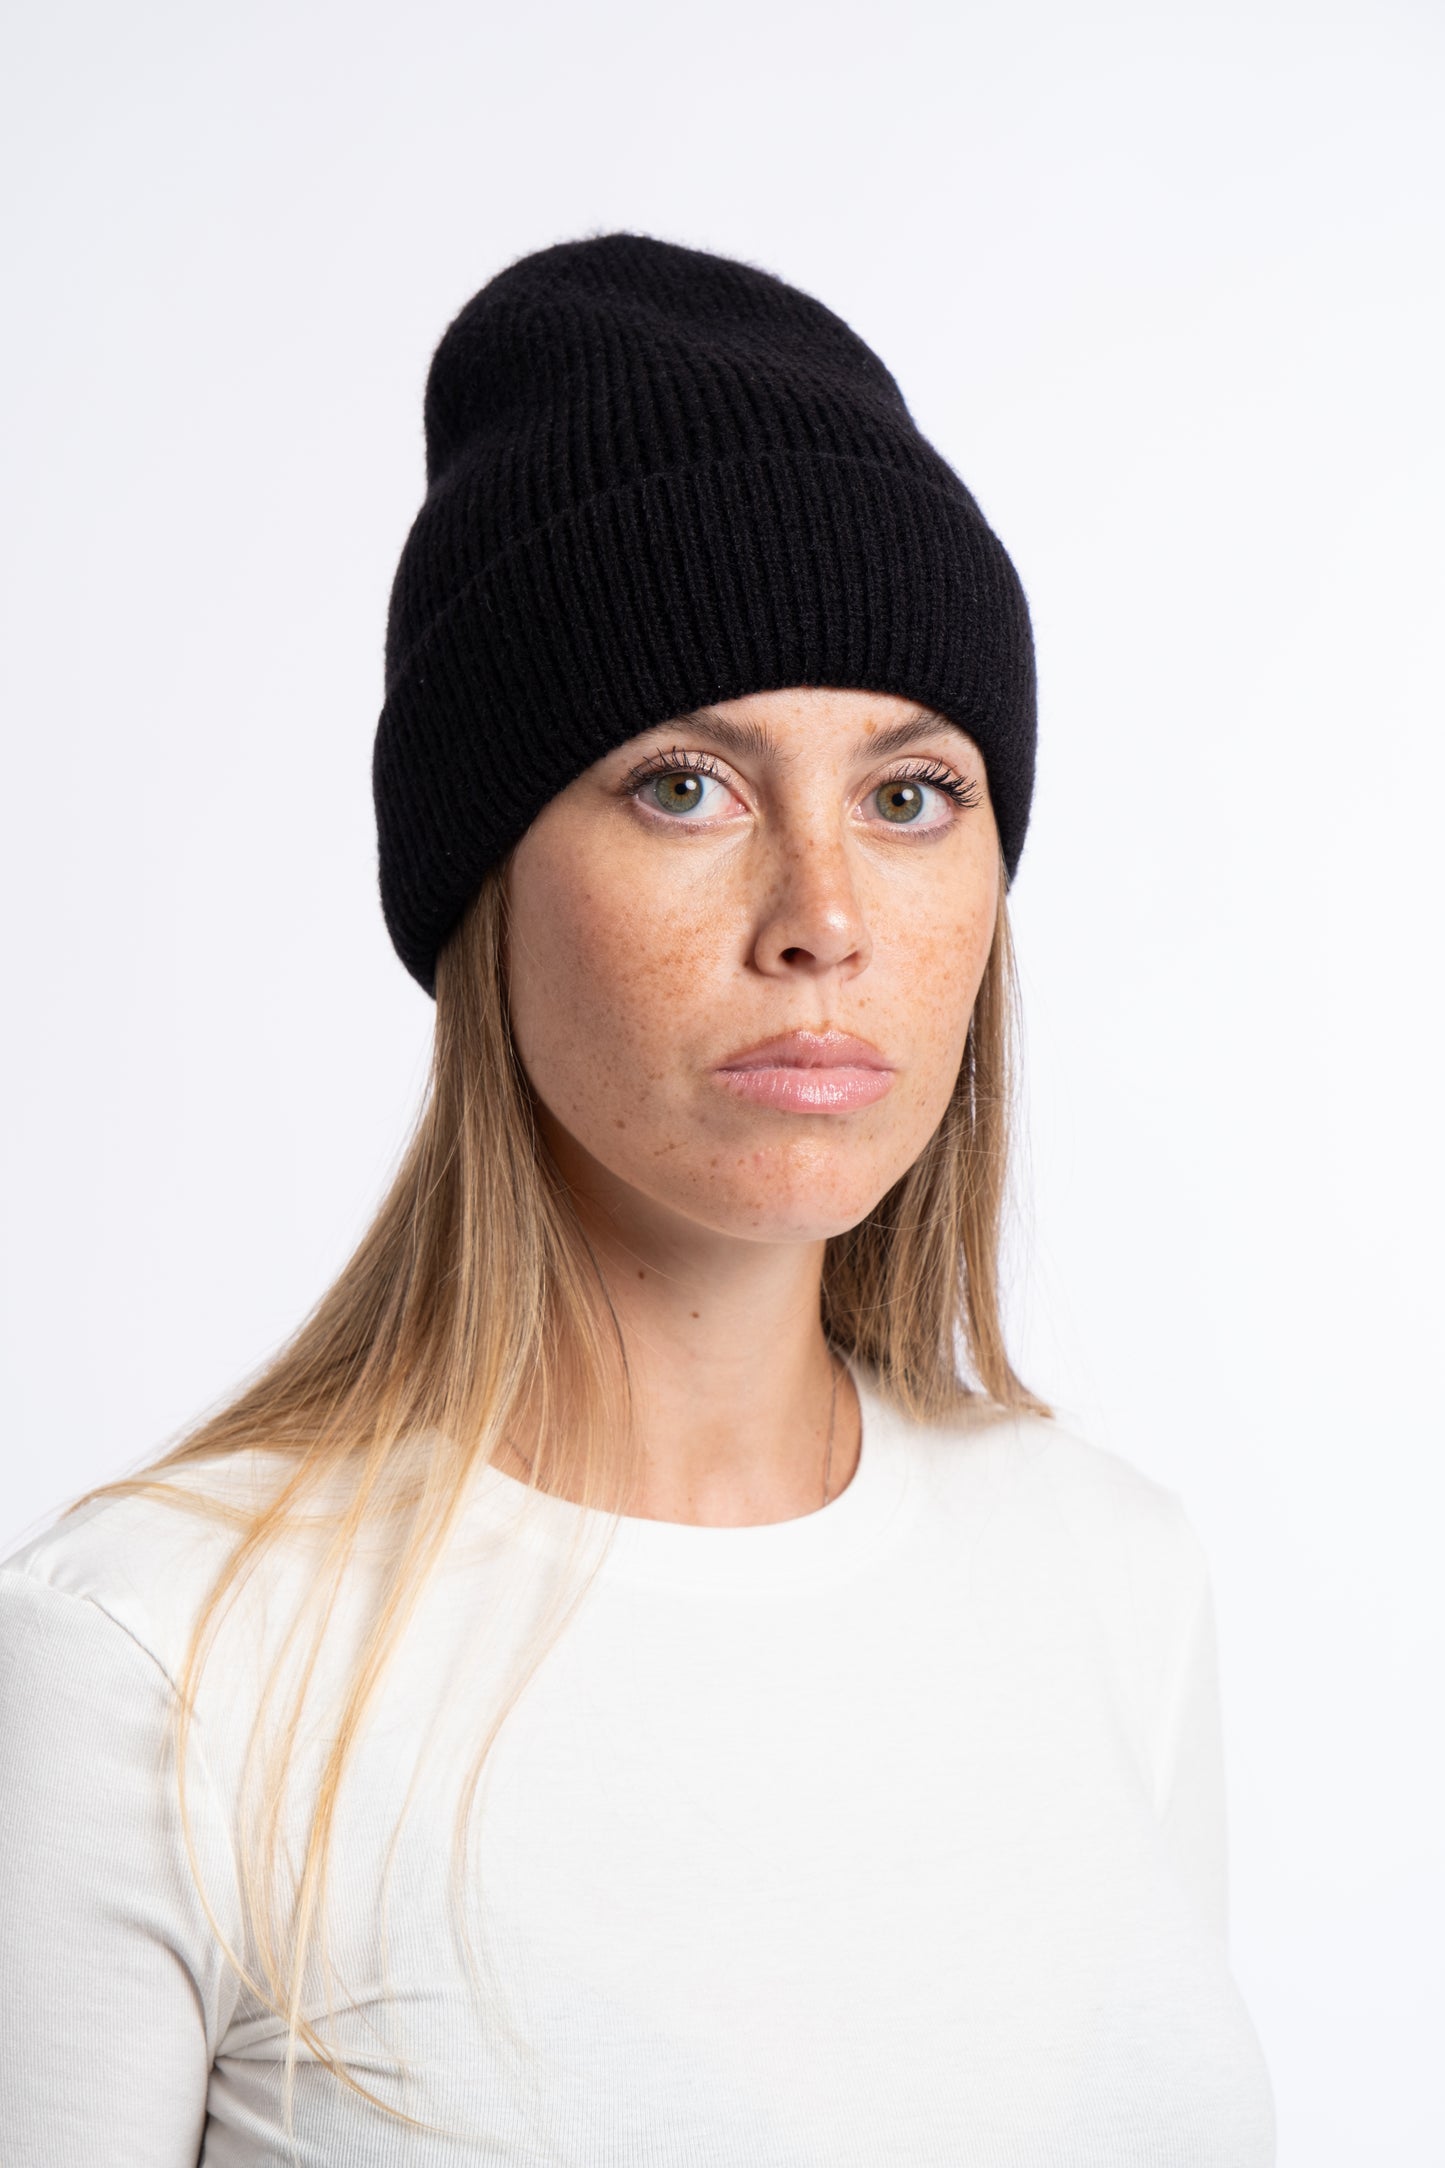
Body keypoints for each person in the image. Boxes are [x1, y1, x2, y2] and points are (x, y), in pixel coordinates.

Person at [0, 232, 1276, 2166]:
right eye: (685, 785)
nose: (823, 918)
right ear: (482, 884)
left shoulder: (1111, 1571)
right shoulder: (151, 1661)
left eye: (910, 794)